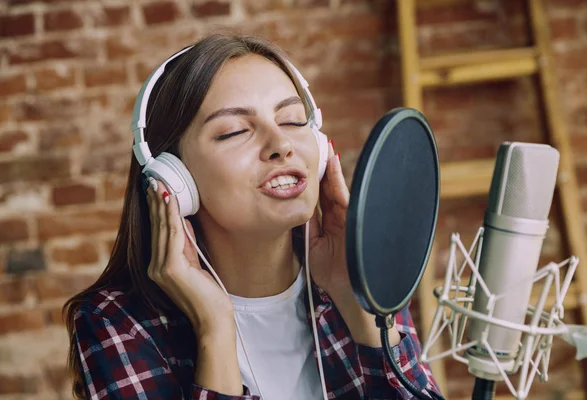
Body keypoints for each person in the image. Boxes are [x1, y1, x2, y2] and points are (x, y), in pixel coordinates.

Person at [63, 33, 442, 399]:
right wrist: (215, 331)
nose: (281, 145)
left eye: (292, 120)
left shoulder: (362, 279)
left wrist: (354, 297)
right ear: (173, 179)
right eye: (234, 131)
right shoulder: (117, 324)